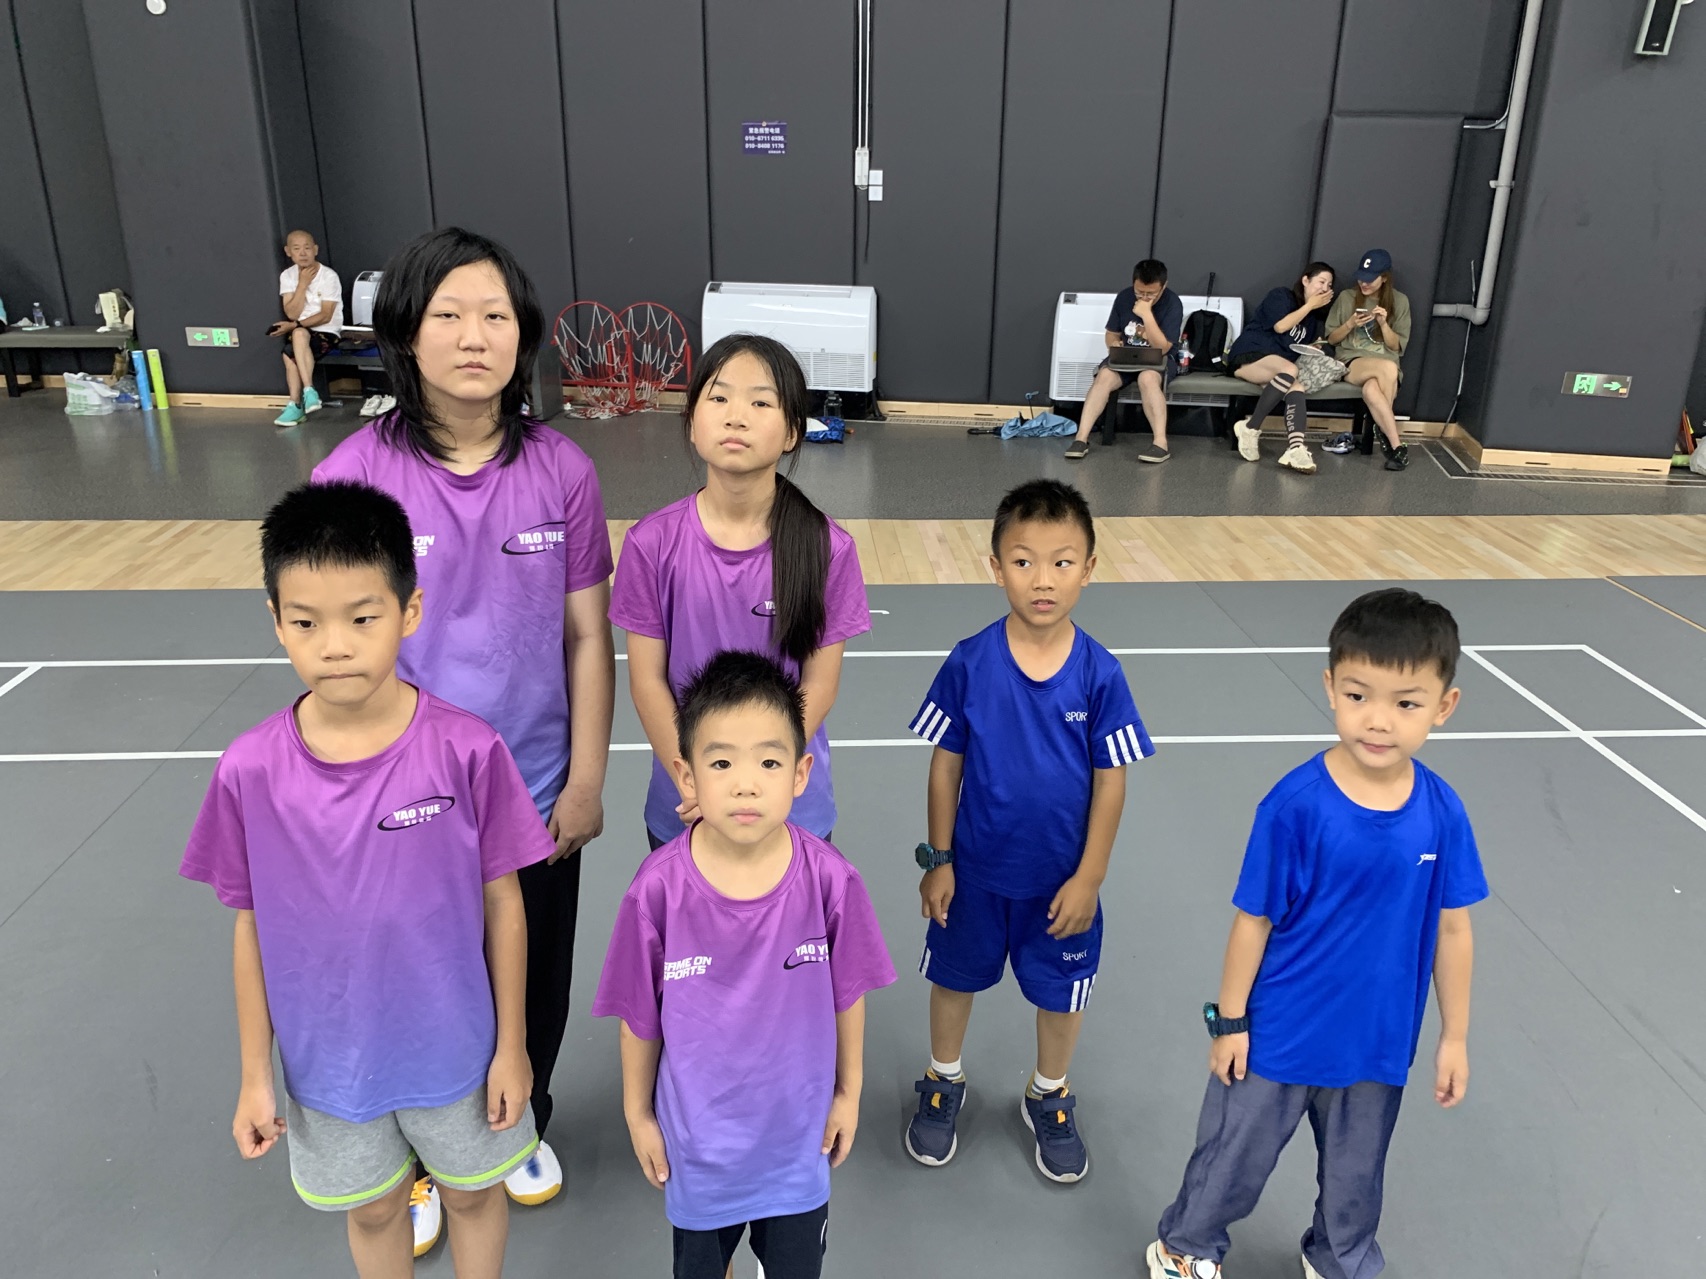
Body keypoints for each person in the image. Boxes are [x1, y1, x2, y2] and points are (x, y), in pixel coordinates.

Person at [313, 226, 615, 1228]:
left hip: (534, 790)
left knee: (538, 979)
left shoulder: (563, 470)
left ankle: (516, 1123)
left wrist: (584, 779)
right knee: (421, 986)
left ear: (521, 332)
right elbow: (337, 656)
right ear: (406, 332)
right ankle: (421, 1158)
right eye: (448, 314)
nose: (474, 336)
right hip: (404, 799)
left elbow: (586, 635)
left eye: (494, 314)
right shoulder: (354, 476)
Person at [181, 480, 555, 1278]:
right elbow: (250, 926)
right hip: (330, 1068)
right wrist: (255, 1075)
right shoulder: (249, 770)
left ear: (409, 611)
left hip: (458, 1053)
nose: (335, 645)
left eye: (362, 617)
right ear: (276, 621)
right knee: (377, 1208)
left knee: (474, 1195)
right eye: (306, 622)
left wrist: (512, 1046)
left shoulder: (468, 750)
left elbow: (505, 904)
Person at [1145, 588, 1487, 1279]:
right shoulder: (1295, 807)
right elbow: (1254, 920)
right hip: (1280, 1034)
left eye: (1406, 703)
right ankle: (1184, 1247)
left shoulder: (1442, 812)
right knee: (1233, 1158)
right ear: (1331, 687)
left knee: (1357, 1177)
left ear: (1444, 706)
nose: (1378, 720)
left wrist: (1454, 1036)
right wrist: (1230, 1021)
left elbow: (1453, 929)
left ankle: (1338, 1257)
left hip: (1377, 1041)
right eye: (1358, 696)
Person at [593, 650, 896, 1279]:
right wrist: (638, 1115)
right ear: (685, 775)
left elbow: (848, 996)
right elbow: (638, 1020)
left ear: (801, 772)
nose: (746, 783)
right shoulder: (656, 891)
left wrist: (848, 1093)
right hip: (700, 1155)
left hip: (797, 1150)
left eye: (769, 761)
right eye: (721, 762)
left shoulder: (832, 881)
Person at [905, 479, 1152, 1184]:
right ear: (995, 566)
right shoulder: (969, 661)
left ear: (1089, 568)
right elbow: (945, 765)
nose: (1043, 579)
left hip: (1059, 885)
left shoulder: (1101, 674)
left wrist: (1090, 877)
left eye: (1062, 562)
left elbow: (1112, 781)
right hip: (974, 878)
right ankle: (943, 1077)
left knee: (1059, 994)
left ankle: (1049, 1091)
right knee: (953, 979)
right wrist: (939, 858)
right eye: (1023, 561)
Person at [610, 333, 870, 853]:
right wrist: (699, 783)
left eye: (760, 402)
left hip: (791, 812)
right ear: (692, 421)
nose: (736, 416)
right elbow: (647, 682)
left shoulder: (828, 548)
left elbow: (819, 684)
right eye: (719, 397)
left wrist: (759, 780)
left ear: (793, 431)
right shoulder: (650, 543)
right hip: (685, 808)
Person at [1064, 260, 1183, 465]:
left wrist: (1146, 314)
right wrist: (1114, 344)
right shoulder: (1124, 297)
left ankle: (1160, 443)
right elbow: (1111, 333)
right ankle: (1081, 439)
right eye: (1139, 292)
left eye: (1151, 294)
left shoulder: (1173, 303)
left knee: (1147, 378)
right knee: (1104, 376)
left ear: (1163, 287)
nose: (1144, 297)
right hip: (1126, 355)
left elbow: (1162, 347)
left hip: (1159, 359)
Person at [1228, 263, 1337, 473]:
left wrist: (1313, 347)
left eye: (1329, 285)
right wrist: (1309, 305)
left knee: (1297, 388)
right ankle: (1250, 428)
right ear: (1305, 280)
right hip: (1249, 356)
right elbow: (1280, 326)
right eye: (1321, 282)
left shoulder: (1312, 321)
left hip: (1277, 368)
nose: (1325, 288)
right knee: (1290, 370)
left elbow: (1294, 347)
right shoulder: (1282, 296)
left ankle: (1295, 449)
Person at [1323, 249, 1414, 471]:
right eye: (1361, 277)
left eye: (1370, 279)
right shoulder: (1347, 297)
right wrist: (1350, 324)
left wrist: (1383, 324)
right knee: (1388, 368)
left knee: (1372, 390)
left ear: (1384, 278)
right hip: (1352, 361)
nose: (1363, 283)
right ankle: (1394, 443)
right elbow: (1331, 339)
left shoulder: (1400, 301)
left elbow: (1396, 346)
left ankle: (1392, 445)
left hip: (1385, 365)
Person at [269, 229, 344, 429]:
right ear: (288, 252)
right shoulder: (287, 276)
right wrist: (302, 285)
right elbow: (292, 313)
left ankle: (295, 404)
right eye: (297, 248)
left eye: (307, 248)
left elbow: (326, 315)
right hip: (302, 332)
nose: (303, 253)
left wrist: (296, 325)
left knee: (290, 350)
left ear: (315, 250)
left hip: (327, 331)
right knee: (297, 338)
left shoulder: (329, 276)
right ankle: (308, 392)